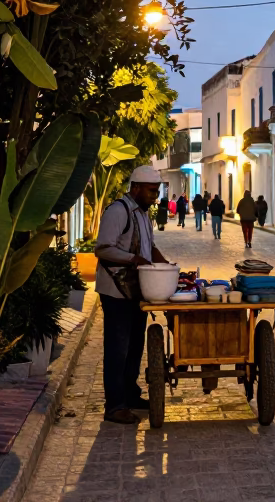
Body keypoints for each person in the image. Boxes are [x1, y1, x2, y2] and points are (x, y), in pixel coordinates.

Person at [94, 165, 173, 425]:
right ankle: (115, 406)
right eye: (151, 191)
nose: (155, 196)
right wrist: (133, 259)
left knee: (134, 347)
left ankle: (130, 395)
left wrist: (169, 266)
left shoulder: (142, 213)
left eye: (157, 191)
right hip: (115, 291)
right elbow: (103, 249)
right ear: (136, 187)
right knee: (118, 349)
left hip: (135, 290)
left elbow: (150, 247)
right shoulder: (118, 211)